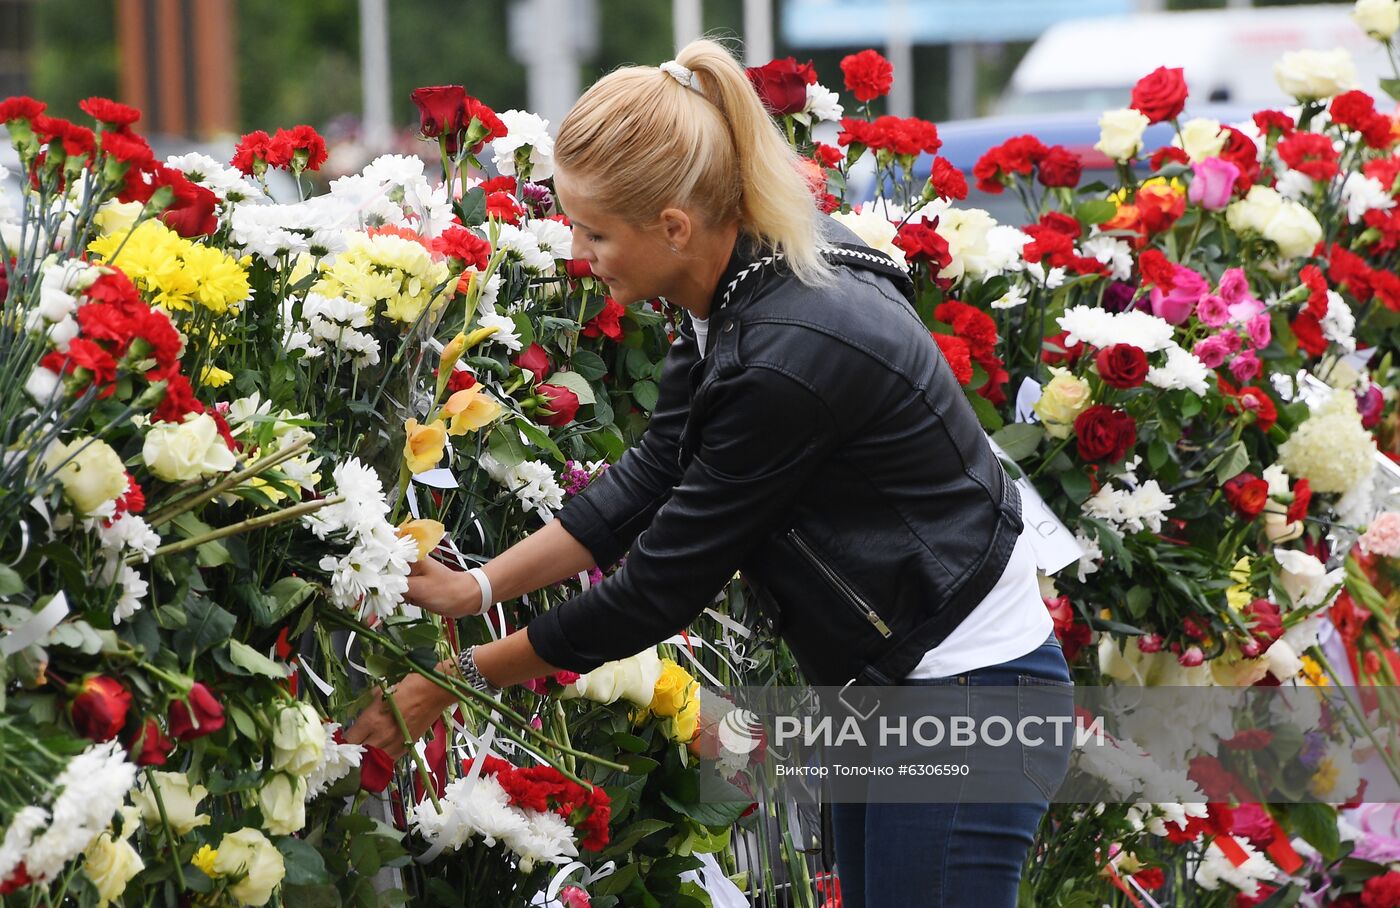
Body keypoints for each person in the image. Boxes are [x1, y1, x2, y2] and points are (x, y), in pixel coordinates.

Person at [346, 38, 1071, 907]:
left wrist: (451, 683)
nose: (581, 254)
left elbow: (658, 586)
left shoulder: (784, 354)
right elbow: (656, 471)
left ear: (674, 226)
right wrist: (478, 590)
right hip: (903, 681)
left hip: (964, 694)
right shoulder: (748, 269)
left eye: (596, 231)